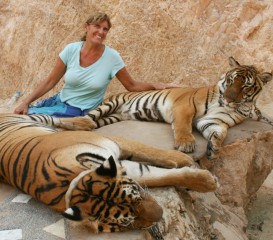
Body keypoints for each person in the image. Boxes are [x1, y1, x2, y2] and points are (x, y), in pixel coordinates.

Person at [14, 12, 178, 117]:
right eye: (97, 26)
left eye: (105, 29)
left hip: (78, 112)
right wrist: (26, 101)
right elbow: (50, 81)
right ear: (86, 28)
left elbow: (131, 85)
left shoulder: (112, 57)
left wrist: (158, 85)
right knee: (18, 116)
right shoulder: (71, 49)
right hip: (58, 101)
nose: (101, 32)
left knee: (31, 120)